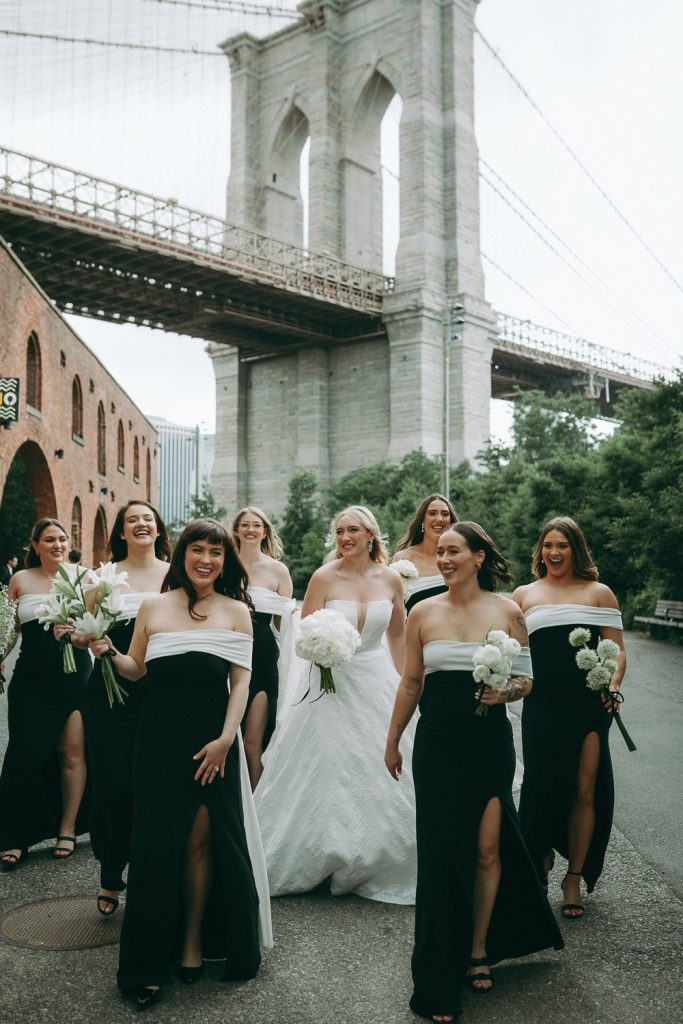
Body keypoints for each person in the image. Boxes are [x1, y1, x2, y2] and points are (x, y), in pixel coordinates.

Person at [385, 523, 563, 1023]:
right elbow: (411, 681)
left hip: (489, 745)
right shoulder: (423, 611)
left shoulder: (507, 611)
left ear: (478, 557)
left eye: (453, 551)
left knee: (488, 849)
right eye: (439, 551)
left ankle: (478, 948)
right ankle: (436, 976)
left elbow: (528, 679)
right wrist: (393, 738)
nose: (443, 558)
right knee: (442, 856)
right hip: (438, 746)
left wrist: (503, 694)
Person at [90, 518, 271, 1010]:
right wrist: (107, 651)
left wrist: (225, 741)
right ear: (183, 555)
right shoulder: (153, 606)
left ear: (225, 560)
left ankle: (193, 943)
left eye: (216, 552)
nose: (206, 559)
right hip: (158, 743)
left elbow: (242, 683)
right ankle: (145, 965)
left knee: (201, 845)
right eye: (197, 550)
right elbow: (136, 668)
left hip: (213, 744)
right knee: (153, 850)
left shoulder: (237, 612)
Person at [255, 505, 416, 904]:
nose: (345, 538)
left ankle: (378, 856)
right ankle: (321, 851)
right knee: (328, 764)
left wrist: (403, 681)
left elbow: (397, 636)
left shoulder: (392, 578)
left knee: (383, 763)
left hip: (377, 678)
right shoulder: (323, 577)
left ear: (371, 535)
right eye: (340, 531)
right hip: (330, 683)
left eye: (353, 531)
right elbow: (304, 633)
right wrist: (320, 653)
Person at [512, 516, 626, 919]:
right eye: (548, 545)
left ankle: (573, 877)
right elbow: (515, 652)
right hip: (541, 705)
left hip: (588, 705)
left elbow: (617, 649)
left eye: (562, 545)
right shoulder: (524, 595)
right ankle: (539, 855)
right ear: (540, 551)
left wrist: (611, 685)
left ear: (576, 550)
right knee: (542, 785)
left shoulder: (600, 594)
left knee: (584, 788)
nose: (554, 553)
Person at [81, 501, 171, 916]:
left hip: (161, 690)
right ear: (120, 531)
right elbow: (83, 629)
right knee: (113, 784)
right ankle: (111, 868)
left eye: (147, 519)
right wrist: (79, 636)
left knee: (153, 784)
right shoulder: (102, 577)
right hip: (109, 691)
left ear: (157, 530)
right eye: (132, 519)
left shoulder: (175, 574)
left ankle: (153, 872)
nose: (140, 524)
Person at [0, 520, 91, 869]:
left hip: (73, 675)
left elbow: (97, 624)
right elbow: (9, 630)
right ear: (35, 545)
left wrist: (78, 628)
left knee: (72, 753)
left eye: (62, 539)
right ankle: (15, 835)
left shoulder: (84, 577)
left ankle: (67, 829)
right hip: (31, 678)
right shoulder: (20, 580)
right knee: (24, 753)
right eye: (49, 540)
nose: (57, 544)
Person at [232, 506, 294, 789]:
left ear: (265, 531)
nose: (250, 530)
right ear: (236, 530)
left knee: (251, 743)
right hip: (229, 652)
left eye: (256, 525)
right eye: (244, 525)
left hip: (263, 655)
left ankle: (256, 816)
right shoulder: (226, 565)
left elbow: (286, 625)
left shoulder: (278, 570)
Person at [393, 494, 458, 611]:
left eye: (445, 514)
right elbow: (395, 609)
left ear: (451, 521)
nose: (439, 519)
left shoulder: (460, 558)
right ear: (422, 520)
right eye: (432, 513)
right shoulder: (403, 559)